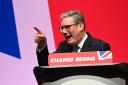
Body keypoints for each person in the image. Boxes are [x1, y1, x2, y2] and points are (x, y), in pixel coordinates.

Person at [34, 10, 110, 66]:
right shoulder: (63, 46)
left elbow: (104, 74)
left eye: (67, 27)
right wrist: (42, 45)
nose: (63, 31)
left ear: (81, 26)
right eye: (62, 28)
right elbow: (46, 66)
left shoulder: (100, 46)